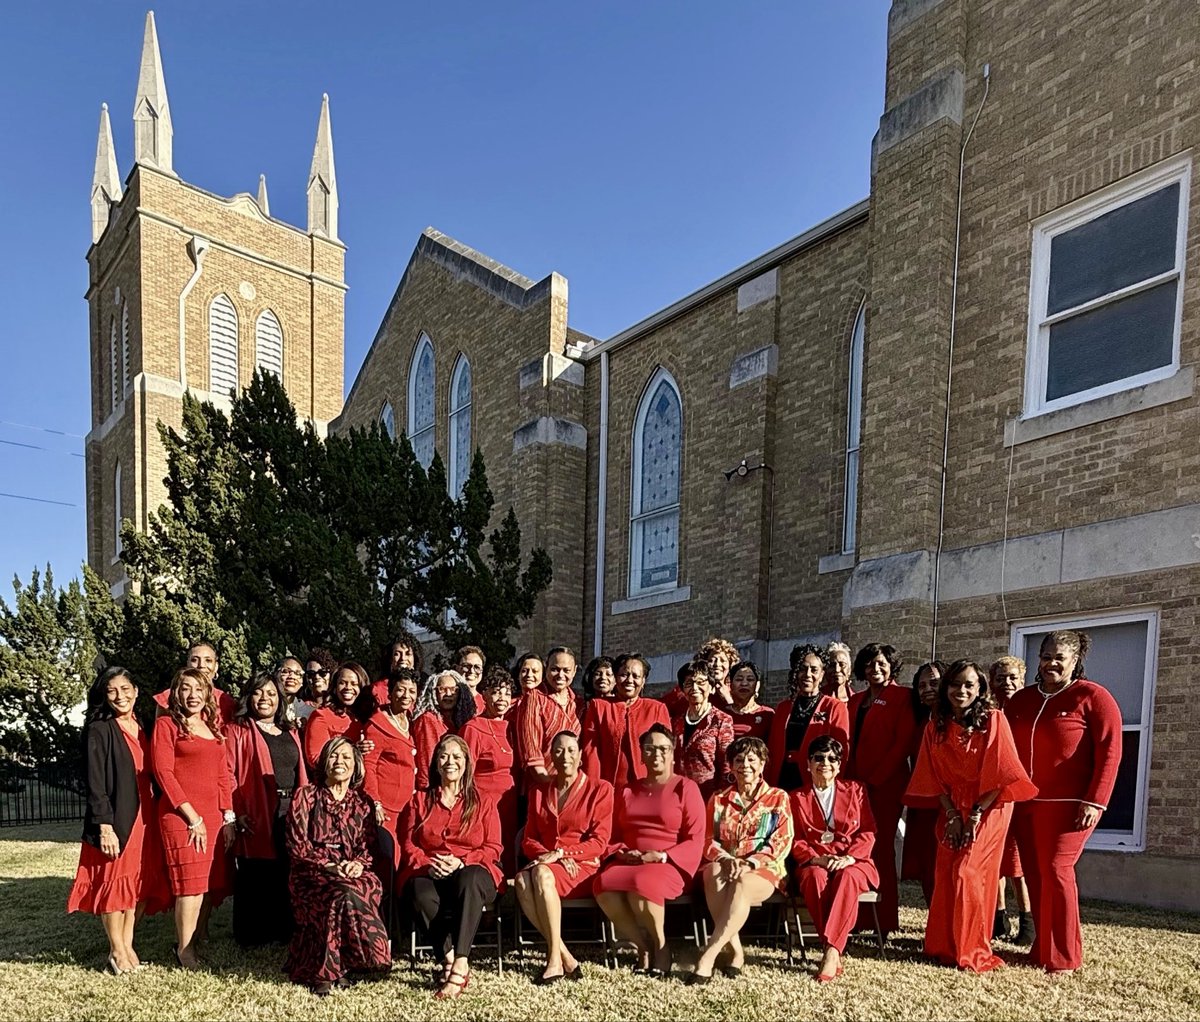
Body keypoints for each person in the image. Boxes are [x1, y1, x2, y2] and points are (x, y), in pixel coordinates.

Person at [904, 660, 1037, 973]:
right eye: (955, 684)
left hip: (990, 804)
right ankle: (943, 946)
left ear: (980, 690)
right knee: (946, 870)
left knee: (968, 871)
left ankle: (973, 949)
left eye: (969, 685)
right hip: (952, 805)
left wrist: (975, 814)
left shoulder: (994, 720)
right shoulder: (936, 724)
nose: (960, 691)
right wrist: (952, 814)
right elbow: (930, 776)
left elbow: (1003, 772)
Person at [1005, 630, 1122, 974]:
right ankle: (1043, 948)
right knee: (1037, 875)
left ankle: (1065, 957)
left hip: (1071, 806)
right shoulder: (1021, 701)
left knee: (1057, 870)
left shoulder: (1093, 697)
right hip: (1025, 804)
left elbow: (1111, 753)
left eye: (1060, 657)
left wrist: (1095, 801)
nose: (1051, 662)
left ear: (1075, 661)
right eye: (1046, 656)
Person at [67, 667, 169, 973]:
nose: (120, 696)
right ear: (104, 695)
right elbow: (94, 782)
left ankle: (127, 945)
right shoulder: (100, 728)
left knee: (137, 884)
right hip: (116, 818)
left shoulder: (145, 724)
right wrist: (105, 826)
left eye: (125, 689)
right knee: (115, 883)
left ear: (136, 691)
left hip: (146, 814)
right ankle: (116, 950)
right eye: (112, 691)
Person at [593, 723, 705, 977]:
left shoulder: (685, 788)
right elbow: (613, 833)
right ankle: (642, 947)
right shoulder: (628, 790)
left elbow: (695, 838)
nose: (657, 754)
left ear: (673, 753)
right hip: (630, 861)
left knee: (642, 883)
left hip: (669, 864)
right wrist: (621, 851)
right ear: (641, 754)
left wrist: (663, 856)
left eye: (663, 749)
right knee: (603, 884)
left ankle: (662, 946)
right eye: (650, 749)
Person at [398, 734, 504, 1000]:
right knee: (416, 889)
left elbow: (494, 848)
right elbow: (409, 845)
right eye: (444, 756)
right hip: (432, 872)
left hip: (474, 873)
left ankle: (460, 961)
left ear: (467, 764)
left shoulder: (483, 802)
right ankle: (447, 959)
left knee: (468, 879)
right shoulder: (419, 801)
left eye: (457, 757)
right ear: (436, 763)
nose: (450, 762)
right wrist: (428, 863)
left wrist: (462, 861)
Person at [285, 736, 391, 995]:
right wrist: (329, 866)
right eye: (334, 755)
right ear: (324, 761)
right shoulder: (306, 796)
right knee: (340, 894)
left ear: (356, 765)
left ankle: (344, 964)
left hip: (353, 870)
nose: (339, 762)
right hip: (312, 871)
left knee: (359, 888)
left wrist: (357, 864)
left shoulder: (362, 802)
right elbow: (297, 847)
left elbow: (368, 847)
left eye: (346, 757)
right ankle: (330, 972)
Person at [687, 736, 793, 984]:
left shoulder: (778, 798)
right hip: (727, 865)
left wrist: (750, 863)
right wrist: (725, 859)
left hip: (763, 869)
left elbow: (782, 841)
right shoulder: (719, 799)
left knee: (742, 884)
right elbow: (707, 840)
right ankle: (736, 950)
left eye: (752, 759)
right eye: (739, 759)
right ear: (731, 767)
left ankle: (709, 955)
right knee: (711, 873)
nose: (745, 764)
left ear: (763, 763)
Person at [151, 667, 236, 969]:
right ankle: (184, 950)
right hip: (181, 816)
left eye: (199, 689)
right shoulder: (167, 725)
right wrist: (192, 817)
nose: (193, 695)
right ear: (175, 693)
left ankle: (197, 939)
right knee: (189, 886)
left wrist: (228, 817)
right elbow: (164, 772)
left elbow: (223, 776)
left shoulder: (213, 728)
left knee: (206, 884)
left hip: (213, 817)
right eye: (185, 688)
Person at [516, 731, 614, 984]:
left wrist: (563, 853)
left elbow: (600, 842)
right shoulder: (539, 792)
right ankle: (565, 954)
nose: (565, 756)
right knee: (521, 881)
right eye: (559, 750)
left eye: (571, 750)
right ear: (551, 756)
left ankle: (553, 960)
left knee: (538, 874)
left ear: (580, 756)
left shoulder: (600, 789)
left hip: (581, 867)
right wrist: (550, 856)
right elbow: (528, 839)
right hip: (550, 866)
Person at [226, 672, 307, 946]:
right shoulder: (238, 731)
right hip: (256, 807)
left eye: (272, 693)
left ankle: (283, 929)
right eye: (259, 693)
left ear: (280, 700)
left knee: (286, 869)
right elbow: (228, 774)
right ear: (250, 697)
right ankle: (253, 935)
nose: (265, 699)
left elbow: (300, 772)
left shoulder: (290, 731)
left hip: (290, 807)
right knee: (256, 872)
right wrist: (236, 812)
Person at [790, 735, 879, 983]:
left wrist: (850, 858)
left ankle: (830, 951)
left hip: (854, 861)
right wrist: (816, 859)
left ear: (839, 766)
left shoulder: (856, 790)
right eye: (818, 758)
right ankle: (834, 948)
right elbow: (793, 838)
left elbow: (868, 831)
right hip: (816, 861)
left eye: (832, 759)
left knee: (847, 877)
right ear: (808, 764)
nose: (825, 763)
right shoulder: (795, 797)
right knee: (814, 878)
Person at [845, 642, 913, 936]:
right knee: (857, 847)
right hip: (854, 786)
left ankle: (884, 919)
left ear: (892, 666)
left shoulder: (902, 697)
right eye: (871, 664)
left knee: (881, 849)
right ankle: (858, 916)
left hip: (885, 785)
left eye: (882, 663)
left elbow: (902, 743)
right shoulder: (855, 700)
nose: (876, 669)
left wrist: (876, 779)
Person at [989, 655, 1034, 943]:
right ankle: (999, 920)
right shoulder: (989, 712)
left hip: (1022, 795)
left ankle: (1028, 923)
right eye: (1001, 678)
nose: (1007, 683)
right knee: (995, 861)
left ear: (1022, 680)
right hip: (992, 796)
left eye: (1013, 678)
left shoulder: (1029, 710)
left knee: (1018, 865)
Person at [581, 652, 671, 791]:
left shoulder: (656, 709)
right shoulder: (598, 707)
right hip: (608, 788)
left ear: (643, 681)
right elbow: (590, 751)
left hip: (647, 789)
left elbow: (666, 754)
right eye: (624, 675)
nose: (630, 680)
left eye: (636, 676)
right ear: (616, 678)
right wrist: (593, 788)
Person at [459, 666, 519, 872]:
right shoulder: (473, 728)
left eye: (507, 693)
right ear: (484, 694)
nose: (502, 698)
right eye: (496, 691)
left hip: (509, 804)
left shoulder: (512, 727)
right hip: (484, 804)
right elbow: (464, 772)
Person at [767, 645, 850, 792]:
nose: (808, 674)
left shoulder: (834, 707)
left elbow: (841, 753)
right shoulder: (783, 708)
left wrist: (831, 787)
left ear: (822, 674)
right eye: (802, 669)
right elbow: (772, 749)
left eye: (814, 670)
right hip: (781, 779)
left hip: (815, 781)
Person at [361, 666, 420, 869]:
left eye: (412, 691)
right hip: (386, 810)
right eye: (401, 690)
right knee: (389, 863)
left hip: (408, 809)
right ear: (391, 692)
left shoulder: (411, 720)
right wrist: (375, 803)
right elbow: (369, 765)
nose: (406, 695)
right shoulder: (377, 724)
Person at [900, 661, 946, 908]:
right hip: (922, 803)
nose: (927, 689)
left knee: (944, 865)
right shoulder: (921, 720)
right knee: (928, 867)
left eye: (934, 683)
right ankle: (934, 923)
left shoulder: (954, 719)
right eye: (921, 685)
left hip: (946, 803)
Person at [516, 647, 584, 784]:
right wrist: (551, 788)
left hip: (572, 786)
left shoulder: (579, 703)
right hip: (542, 785)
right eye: (555, 669)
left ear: (575, 671)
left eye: (566, 670)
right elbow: (531, 752)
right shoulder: (534, 698)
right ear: (546, 668)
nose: (560, 675)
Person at [672, 660, 734, 801]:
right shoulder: (676, 722)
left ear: (711, 688)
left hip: (708, 796)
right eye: (689, 683)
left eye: (701, 682)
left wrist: (721, 797)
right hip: (678, 794)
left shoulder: (721, 720)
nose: (694, 687)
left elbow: (726, 764)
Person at [411, 670, 476, 790]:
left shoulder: (461, 720)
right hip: (434, 789)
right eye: (442, 689)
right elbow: (425, 762)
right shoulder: (428, 720)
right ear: (433, 692)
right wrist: (426, 792)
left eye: (453, 690)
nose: (448, 694)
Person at [303, 662, 375, 769]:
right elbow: (315, 758)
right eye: (342, 683)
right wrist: (352, 752)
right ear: (335, 688)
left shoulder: (369, 717)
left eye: (354, 684)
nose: (348, 687)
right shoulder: (322, 716)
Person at [152, 642, 237, 724]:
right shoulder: (168, 698)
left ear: (216, 667)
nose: (201, 665)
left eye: (208, 660)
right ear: (187, 664)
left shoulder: (225, 702)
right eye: (194, 660)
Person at [370, 631, 425, 709]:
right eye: (397, 654)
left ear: (415, 658)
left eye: (408, 654)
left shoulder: (423, 688)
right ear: (390, 659)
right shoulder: (377, 689)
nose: (403, 658)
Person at [726, 661, 774, 741]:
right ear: (730, 685)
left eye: (750, 679)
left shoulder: (767, 714)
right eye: (739, 679)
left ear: (757, 685)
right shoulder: (721, 713)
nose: (744, 683)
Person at [275, 657, 312, 727]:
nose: (292, 676)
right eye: (286, 671)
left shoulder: (308, 712)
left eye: (298, 673)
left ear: (302, 682)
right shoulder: (268, 706)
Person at [455, 645, 488, 712]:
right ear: (457, 668)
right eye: (466, 666)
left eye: (477, 667)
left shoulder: (486, 703)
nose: (472, 671)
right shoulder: (449, 700)